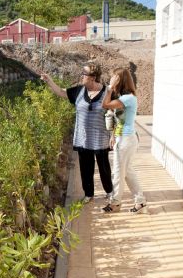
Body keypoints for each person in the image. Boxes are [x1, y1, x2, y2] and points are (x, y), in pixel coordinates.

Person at [41, 63, 113, 204]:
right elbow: (62, 92)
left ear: (92, 77)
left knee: (104, 167)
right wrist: (49, 81)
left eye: (84, 74)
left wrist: (115, 134)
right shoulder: (79, 91)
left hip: (100, 138)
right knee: (85, 168)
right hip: (83, 138)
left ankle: (109, 191)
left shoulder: (107, 92)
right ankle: (89, 194)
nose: (81, 76)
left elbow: (116, 112)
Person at [101, 67, 147, 213]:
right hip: (123, 138)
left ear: (120, 80)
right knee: (127, 172)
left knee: (118, 172)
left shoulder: (128, 98)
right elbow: (118, 119)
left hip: (126, 140)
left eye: (115, 77)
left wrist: (109, 88)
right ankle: (140, 203)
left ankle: (115, 203)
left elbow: (105, 105)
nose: (112, 79)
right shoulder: (124, 97)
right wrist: (113, 135)